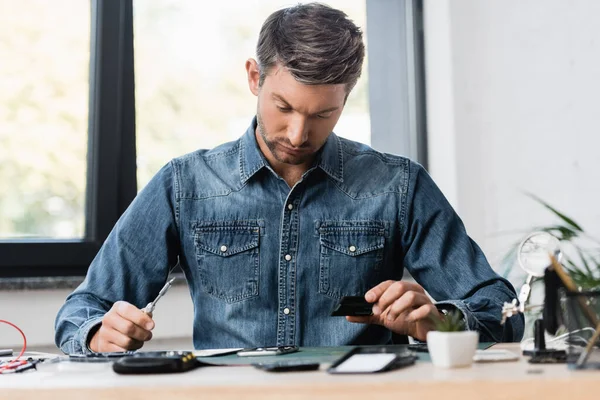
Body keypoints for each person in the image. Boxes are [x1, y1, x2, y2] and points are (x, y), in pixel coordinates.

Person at [55, 3, 524, 354]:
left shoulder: (398, 186)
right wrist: (98, 333)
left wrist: (440, 321)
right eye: (284, 107)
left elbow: (502, 309)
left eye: (324, 113)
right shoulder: (186, 185)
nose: (299, 134)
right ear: (254, 78)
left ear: (348, 96)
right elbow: (83, 309)